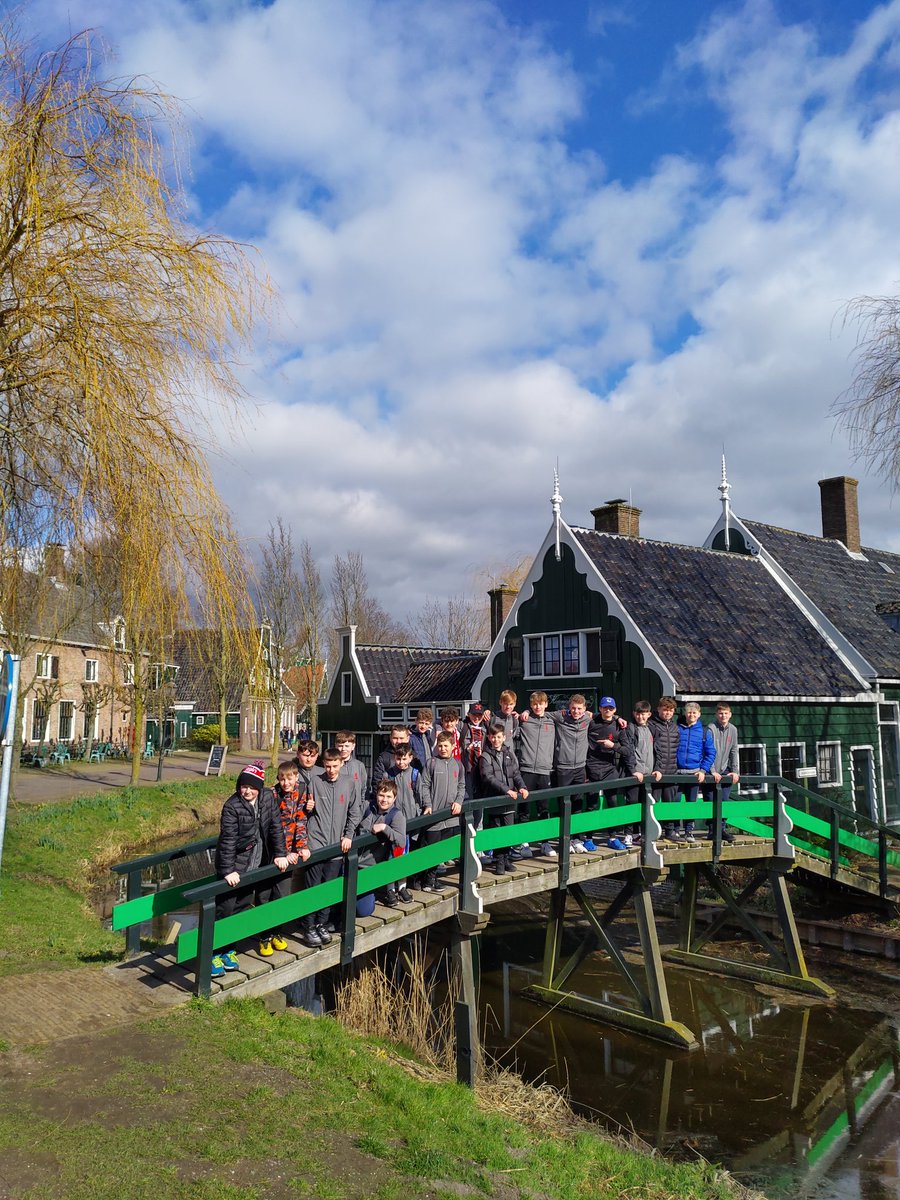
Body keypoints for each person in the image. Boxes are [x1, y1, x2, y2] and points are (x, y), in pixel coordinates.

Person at [211, 763, 290, 977]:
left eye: (252, 787)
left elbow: (275, 827)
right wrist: (227, 870)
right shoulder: (232, 806)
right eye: (243, 786)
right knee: (225, 908)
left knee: (243, 905)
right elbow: (227, 840)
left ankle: (229, 948)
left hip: (257, 861)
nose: (247, 791)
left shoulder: (267, 798)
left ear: (259, 787)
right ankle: (213, 953)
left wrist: (280, 854)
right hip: (235, 865)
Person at [302, 747, 363, 948]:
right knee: (313, 887)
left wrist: (348, 835)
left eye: (335, 766)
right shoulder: (315, 782)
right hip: (316, 843)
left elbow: (355, 812)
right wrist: (307, 808)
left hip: (337, 845)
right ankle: (309, 926)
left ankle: (321, 923)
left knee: (329, 887)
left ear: (341, 764)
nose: (331, 770)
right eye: (327, 766)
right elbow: (304, 812)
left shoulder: (349, 783)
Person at [524, 693, 592, 853]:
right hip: (562, 767)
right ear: (568, 708)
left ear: (585, 709)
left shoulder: (588, 719)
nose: (576, 711)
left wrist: (617, 718)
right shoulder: (559, 717)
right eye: (573, 708)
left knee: (577, 804)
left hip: (580, 767)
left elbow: (605, 715)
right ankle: (564, 839)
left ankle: (575, 838)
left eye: (579, 709)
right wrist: (526, 711)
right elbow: (540, 711)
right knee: (563, 804)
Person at [267, 759, 312, 952]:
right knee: (264, 893)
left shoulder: (302, 791)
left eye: (289, 778)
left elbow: (300, 820)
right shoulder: (272, 795)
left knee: (281, 893)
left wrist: (301, 847)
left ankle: (276, 931)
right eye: (282, 779)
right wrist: (283, 853)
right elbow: (271, 828)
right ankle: (264, 935)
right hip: (273, 851)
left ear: (296, 778)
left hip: (290, 851)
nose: (286, 783)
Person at [478, 723, 528, 876]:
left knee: (508, 830)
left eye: (499, 737)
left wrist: (522, 786)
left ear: (504, 737)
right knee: (497, 830)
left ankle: (506, 858)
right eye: (493, 737)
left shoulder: (509, 753)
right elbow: (488, 777)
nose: (496, 740)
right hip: (495, 798)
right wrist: (506, 789)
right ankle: (499, 859)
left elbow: (516, 773)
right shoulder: (485, 756)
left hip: (509, 800)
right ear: (489, 737)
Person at [418, 730, 465, 892]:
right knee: (431, 848)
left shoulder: (458, 764)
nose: (443, 749)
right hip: (434, 815)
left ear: (453, 746)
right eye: (440, 746)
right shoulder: (431, 763)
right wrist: (427, 804)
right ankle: (426, 880)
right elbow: (423, 785)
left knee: (441, 850)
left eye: (446, 746)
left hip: (450, 816)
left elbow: (461, 786)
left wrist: (459, 802)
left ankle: (433, 878)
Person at [514, 690, 556, 857]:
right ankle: (524, 843)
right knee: (524, 808)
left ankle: (545, 843)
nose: (538, 706)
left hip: (545, 770)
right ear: (530, 705)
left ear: (546, 704)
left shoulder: (552, 721)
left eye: (541, 703)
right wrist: (523, 713)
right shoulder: (524, 720)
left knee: (544, 808)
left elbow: (581, 713)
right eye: (534, 704)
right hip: (526, 769)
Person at [356, 779, 407, 911]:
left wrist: (385, 828)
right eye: (381, 795)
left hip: (371, 867)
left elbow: (401, 841)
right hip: (352, 863)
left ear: (394, 798)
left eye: (389, 796)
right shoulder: (366, 806)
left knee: (364, 910)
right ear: (376, 794)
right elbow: (351, 822)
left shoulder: (397, 816)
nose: (384, 800)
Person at [586, 696, 628, 849]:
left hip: (610, 769)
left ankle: (612, 837)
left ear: (614, 710)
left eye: (610, 708)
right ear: (600, 709)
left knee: (612, 803)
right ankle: (588, 838)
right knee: (592, 805)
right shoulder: (592, 722)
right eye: (605, 708)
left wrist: (613, 746)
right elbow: (576, 713)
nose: (607, 710)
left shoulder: (619, 726)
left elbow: (627, 750)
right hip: (592, 768)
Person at [674, 702, 716, 843]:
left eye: (694, 713)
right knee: (675, 802)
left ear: (699, 714)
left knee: (691, 803)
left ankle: (689, 831)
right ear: (685, 714)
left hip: (694, 773)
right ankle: (675, 830)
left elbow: (710, 753)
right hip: (676, 772)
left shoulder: (704, 731)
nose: (691, 715)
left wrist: (703, 770)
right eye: (689, 712)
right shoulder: (677, 728)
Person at [387, 743, 420, 902]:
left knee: (404, 855)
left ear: (410, 758)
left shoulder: (414, 774)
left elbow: (420, 795)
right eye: (398, 759)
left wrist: (423, 809)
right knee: (391, 856)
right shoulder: (389, 775)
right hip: (393, 823)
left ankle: (402, 886)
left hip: (409, 821)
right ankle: (390, 888)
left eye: (404, 759)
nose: (401, 762)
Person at [702, 703, 740, 843]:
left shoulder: (733, 730)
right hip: (710, 771)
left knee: (724, 800)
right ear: (716, 715)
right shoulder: (710, 729)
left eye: (726, 713)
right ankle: (712, 830)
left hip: (724, 769)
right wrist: (712, 771)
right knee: (710, 800)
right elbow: (707, 751)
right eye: (720, 713)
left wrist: (735, 771)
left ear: (730, 714)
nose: (723, 716)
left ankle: (722, 829)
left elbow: (734, 751)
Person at [619, 700, 653, 845]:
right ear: (634, 714)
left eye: (644, 714)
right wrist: (633, 770)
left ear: (649, 714)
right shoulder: (630, 729)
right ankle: (628, 834)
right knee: (631, 803)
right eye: (638, 714)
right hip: (635, 774)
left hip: (648, 774)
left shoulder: (652, 729)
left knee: (644, 803)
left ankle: (638, 833)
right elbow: (628, 752)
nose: (641, 717)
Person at [335, 730, 368, 814]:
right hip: (338, 809)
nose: (343, 749)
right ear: (336, 745)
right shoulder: (332, 766)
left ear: (353, 746)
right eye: (340, 746)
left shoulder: (359, 766)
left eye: (347, 746)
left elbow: (363, 788)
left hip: (356, 810)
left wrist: (361, 805)